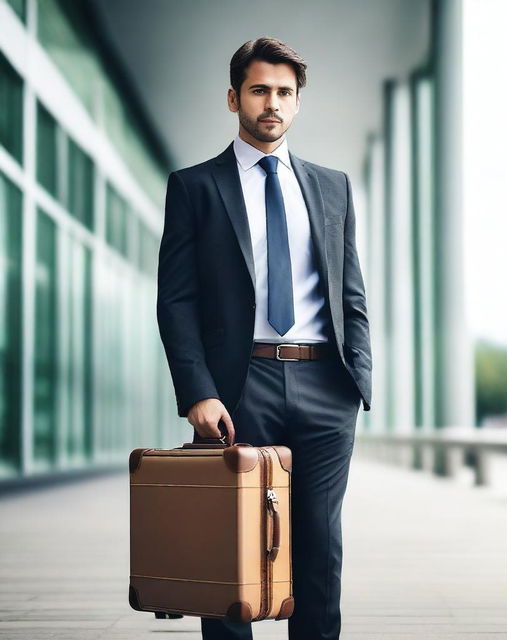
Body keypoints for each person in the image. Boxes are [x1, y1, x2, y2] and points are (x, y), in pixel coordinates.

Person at [156, 36, 372, 640]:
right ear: (234, 98)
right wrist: (196, 391)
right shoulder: (195, 187)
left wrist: (358, 380)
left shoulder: (333, 187)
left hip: (326, 387)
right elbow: (176, 301)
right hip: (236, 386)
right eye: (259, 91)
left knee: (320, 547)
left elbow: (349, 292)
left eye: (284, 92)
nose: (271, 103)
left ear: (298, 103)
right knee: (230, 547)